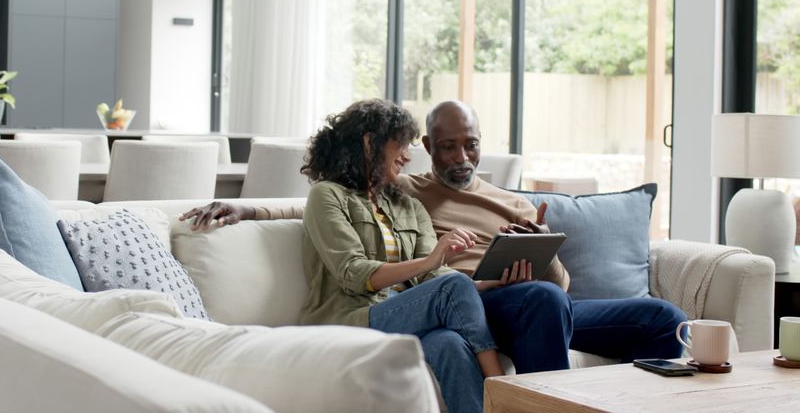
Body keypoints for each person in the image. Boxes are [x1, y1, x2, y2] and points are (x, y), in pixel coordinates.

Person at [182, 100, 686, 375]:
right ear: (427, 148)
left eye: (470, 146)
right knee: (542, 300)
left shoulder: (515, 202)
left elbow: (562, 283)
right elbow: (334, 202)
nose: (461, 158)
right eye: (448, 148)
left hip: (526, 300)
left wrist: (541, 250)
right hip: (461, 302)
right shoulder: (408, 190)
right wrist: (248, 206)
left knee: (663, 319)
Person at [286, 99, 518, 413]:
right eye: (402, 146)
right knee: (453, 288)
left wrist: (485, 284)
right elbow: (352, 273)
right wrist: (431, 260)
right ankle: (506, 394)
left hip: (404, 319)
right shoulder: (327, 195)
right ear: (370, 144)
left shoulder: (409, 206)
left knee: (450, 344)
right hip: (351, 320)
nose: (408, 156)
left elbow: (432, 277)